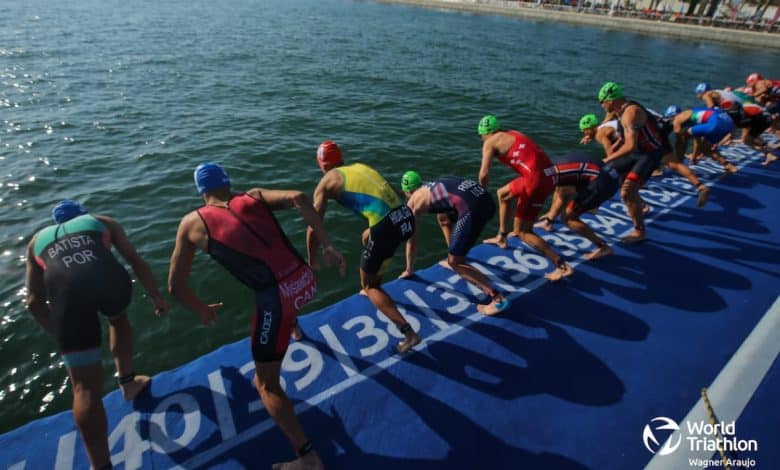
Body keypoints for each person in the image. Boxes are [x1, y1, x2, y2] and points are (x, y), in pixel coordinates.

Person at [169, 162, 345, 470]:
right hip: (306, 280)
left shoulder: (191, 224)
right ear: (228, 183)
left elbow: (175, 286)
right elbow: (301, 198)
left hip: (278, 300)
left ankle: (308, 457)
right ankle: (295, 330)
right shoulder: (253, 195)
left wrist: (201, 308)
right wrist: (328, 245)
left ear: (201, 193)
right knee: (279, 304)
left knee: (264, 384)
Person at [25, 200, 169, 470]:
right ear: (83, 216)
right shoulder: (103, 221)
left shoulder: (35, 242)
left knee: (85, 386)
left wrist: (61, 335)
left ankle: (101, 466)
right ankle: (128, 383)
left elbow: (33, 301)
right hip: (109, 282)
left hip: (67, 295)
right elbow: (136, 261)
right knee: (118, 318)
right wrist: (157, 297)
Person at [306, 141, 422, 353]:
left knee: (370, 286)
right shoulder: (362, 166)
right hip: (406, 217)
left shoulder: (325, 183)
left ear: (320, 164)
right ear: (341, 159)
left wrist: (311, 260)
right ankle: (374, 275)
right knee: (366, 236)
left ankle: (408, 333)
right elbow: (391, 191)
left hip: (386, 227)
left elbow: (314, 227)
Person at [476, 115, 574, 281]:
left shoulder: (489, 142)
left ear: (484, 133)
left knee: (522, 232)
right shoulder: (514, 133)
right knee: (503, 194)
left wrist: (481, 193)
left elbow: (484, 174)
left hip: (536, 182)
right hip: (549, 175)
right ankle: (502, 237)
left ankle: (562, 265)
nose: (482, 140)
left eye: (481, 137)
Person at [399, 171, 509, 315]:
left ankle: (498, 299)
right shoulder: (433, 185)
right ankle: (455, 254)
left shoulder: (413, 204)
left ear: (407, 191)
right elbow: (445, 212)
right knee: (443, 218)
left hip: (473, 208)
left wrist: (409, 269)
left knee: (455, 263)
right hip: (487, 200)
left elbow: (412, 242)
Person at [597, 81, 666, 243]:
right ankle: (640, 204)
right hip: (637, 152)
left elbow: (630, 144)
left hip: (649, 155)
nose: (601, 106)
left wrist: (608, 158)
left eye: (601, 102)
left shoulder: (630, 113)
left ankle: (640, 231)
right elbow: (625, 138)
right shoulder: (620, 111)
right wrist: (612, 152)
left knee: (626, 192)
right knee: (609, 173)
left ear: (610, 101)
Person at [667, 106, 741, 174]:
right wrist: (694, 157)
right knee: (705, 147)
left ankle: (679, 164)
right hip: (728, 123)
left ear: (673, 116)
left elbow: (680, 140)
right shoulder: (695, 113)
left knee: (682, 137)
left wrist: (679, 162)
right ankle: (728, 166)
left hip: (715, 123)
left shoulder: (678, 118)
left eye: (670, 119)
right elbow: (698, 141)